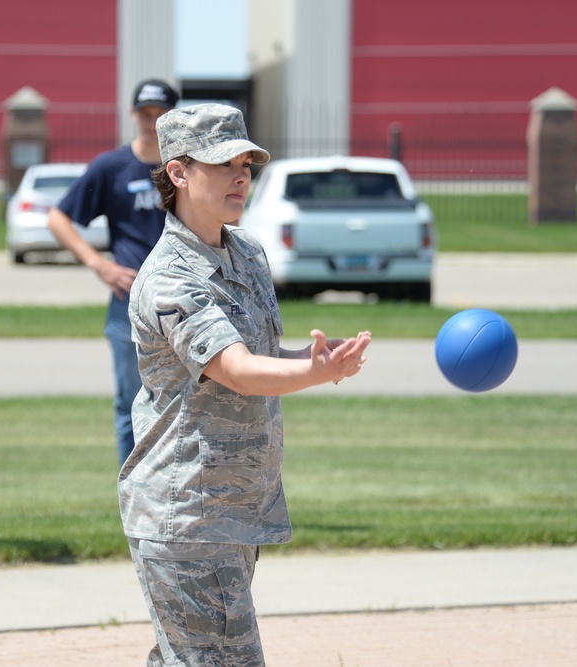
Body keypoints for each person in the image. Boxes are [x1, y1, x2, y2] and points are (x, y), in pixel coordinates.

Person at [121, 103, 372, 665]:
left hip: (233, 511)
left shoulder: (248, 253)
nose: (241, 176)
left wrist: (311, 356)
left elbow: (258, 356)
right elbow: (233, 369)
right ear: (179, 173)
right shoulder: (170, 277)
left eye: (246, 164)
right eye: (223, 163)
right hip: (188, 516)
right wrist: (314, 373)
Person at [48, 78, 180, 467]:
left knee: (186, 404)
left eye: (160, 114)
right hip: (130, 304)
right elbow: (58, 218)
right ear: (132, 114)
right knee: (131, 403)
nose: (152, 121)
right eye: (145, 113)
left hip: (185, 299)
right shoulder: (113, 167)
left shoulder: (188, 167)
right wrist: (99, 264)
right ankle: (135, 495)